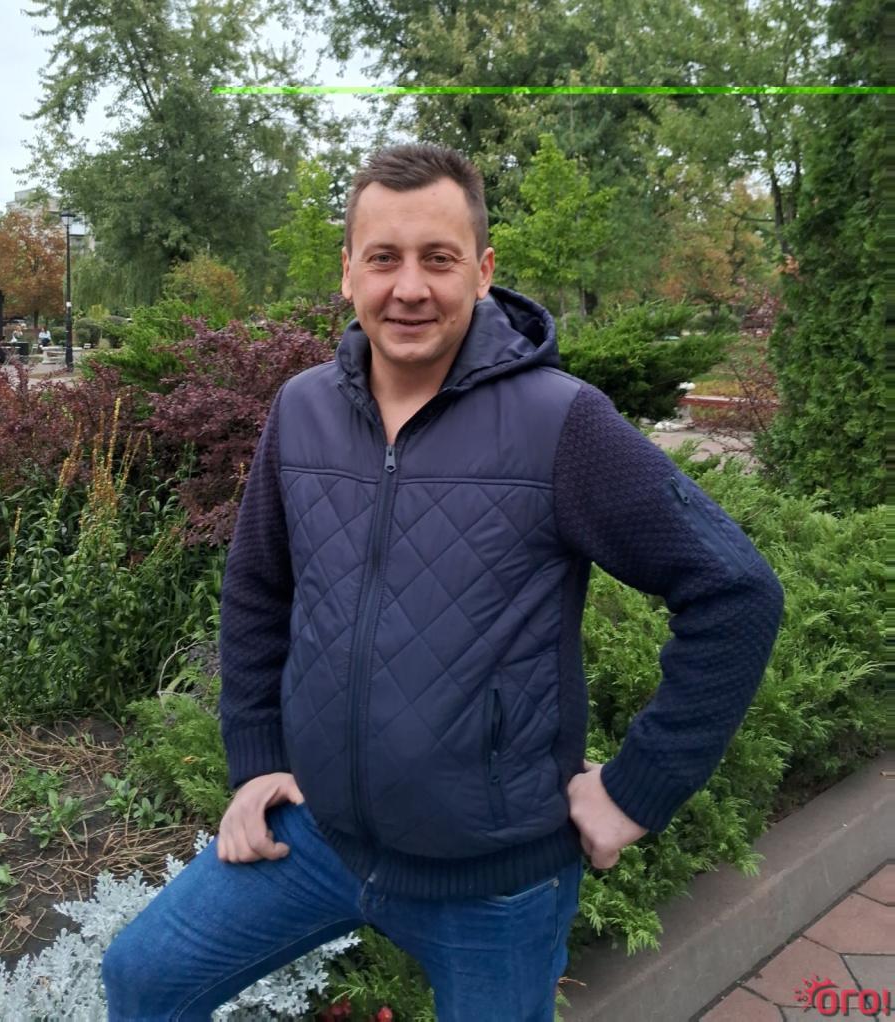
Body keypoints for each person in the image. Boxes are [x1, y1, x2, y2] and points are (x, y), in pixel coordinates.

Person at [102, 144, 784, 1021]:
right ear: (348, 272)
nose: (410, 288)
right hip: (317, 842)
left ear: (484, 271)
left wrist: (636, 791)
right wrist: (258, 761)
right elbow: (258, 590)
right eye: (383, 258)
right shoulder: (302, 410)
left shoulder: (561, 422)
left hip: (494, 885)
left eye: (439, 258)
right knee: (143, 978)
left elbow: (735, 591)